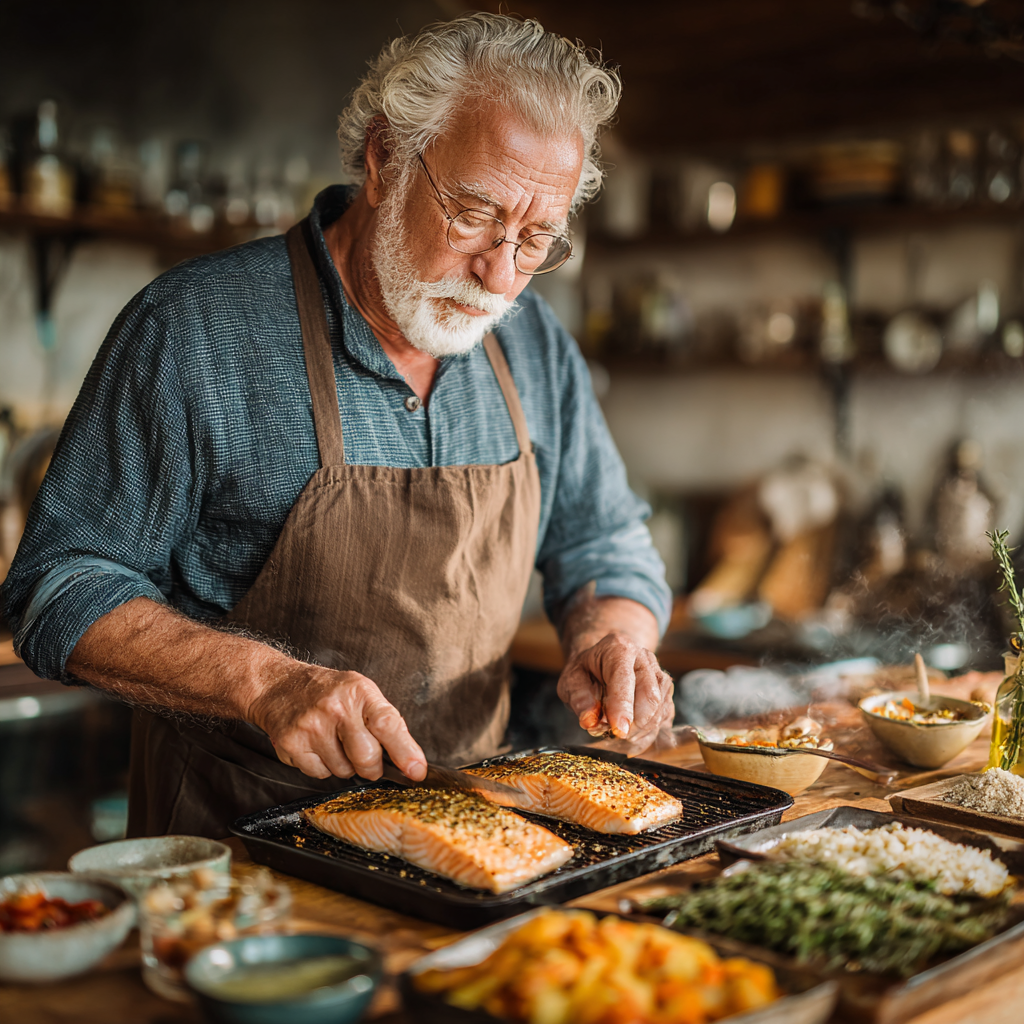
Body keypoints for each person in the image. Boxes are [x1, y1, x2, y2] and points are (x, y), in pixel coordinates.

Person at [2, 13, 674, 839]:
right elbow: (57, 585)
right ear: (385, 159)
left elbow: (604, 543)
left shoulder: (535, 347)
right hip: (237, 855)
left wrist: (614, 637)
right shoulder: (195, 329)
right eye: (473, 215)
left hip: (474, 841)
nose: (501, 276)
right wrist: (263, 681)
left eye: (536, 238)